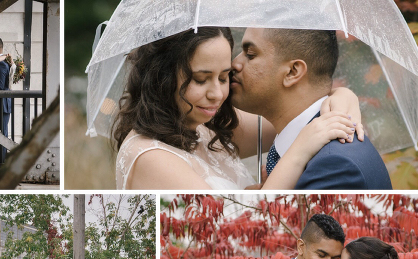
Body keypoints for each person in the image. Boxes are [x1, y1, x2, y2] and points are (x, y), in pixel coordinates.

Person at [114, 28, 364, 190]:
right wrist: (299, 152)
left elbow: (294, 112)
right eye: (201, 79)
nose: (217, 94)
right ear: (163, 77)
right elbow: (236, 225)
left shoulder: (207, 127)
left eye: (224, 77)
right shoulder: (150, 157)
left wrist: (343, 96)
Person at [231, 27, 392, 190]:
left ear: (292, 72)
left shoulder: (336, 167)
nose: (234, 64)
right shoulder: (307, 143)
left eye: (250, 55)